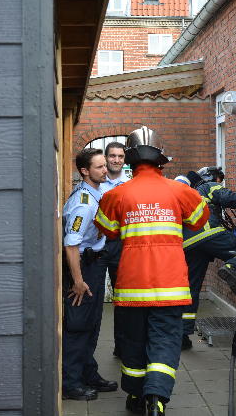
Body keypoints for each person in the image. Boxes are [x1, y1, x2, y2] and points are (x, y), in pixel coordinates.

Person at [94, 126, 209, 416]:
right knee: (165, 341)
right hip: (171, 286)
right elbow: (199, 219)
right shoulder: (180, 191)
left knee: (133, 342)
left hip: (132, 285)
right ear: (161, 159)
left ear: (131, 160)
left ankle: (135, 396)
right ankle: (156, 398)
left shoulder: (116, 195)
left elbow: (107, 229)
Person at [177, 166, 236, 350]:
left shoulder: (189, 194)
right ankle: (232, 268)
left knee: (191, 288)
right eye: (220, 180)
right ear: (211, 177)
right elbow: (231, 198)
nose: (221, 184)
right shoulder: (207, 186)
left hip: (189, 244)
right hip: (208, 233)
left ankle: (182, 336)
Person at [62, 148, 118, 400]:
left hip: (94, 264)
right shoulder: (83, 205)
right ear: (85, 171)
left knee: (92, 323)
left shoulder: (96, 193)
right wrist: (78, 282)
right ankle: (71, 383)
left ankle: (88, 372)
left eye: (105, 166)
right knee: (79, 325)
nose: (105, 170)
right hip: (83, 267)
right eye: (99, 167)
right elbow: (71, 244)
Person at [98, 141, 130, 357]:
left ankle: (121, 346)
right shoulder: (96, 185)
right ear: (106, 158)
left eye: (120, 156)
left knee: (122, 299)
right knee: (93, 297)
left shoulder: (130, 186)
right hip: (98, 247)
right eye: (112, 156)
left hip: (121, 247)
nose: (116, 160)